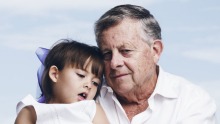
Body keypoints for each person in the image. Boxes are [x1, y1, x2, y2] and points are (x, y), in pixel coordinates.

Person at [94, 4, 217, 124]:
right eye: (107, 54)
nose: (114, 63)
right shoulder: (89, 95)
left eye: (126, 51)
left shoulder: (192, 101)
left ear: (155, 51)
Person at [15, 39, 109, 124]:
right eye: (81, 75)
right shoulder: (32, 111)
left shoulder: (92, 109)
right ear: (55, 74)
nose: (89, 85)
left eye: (95, 83)